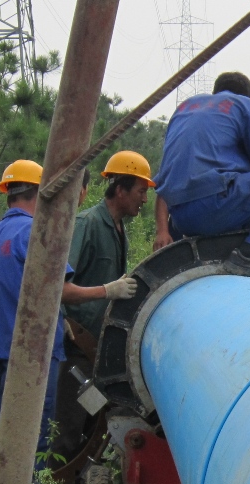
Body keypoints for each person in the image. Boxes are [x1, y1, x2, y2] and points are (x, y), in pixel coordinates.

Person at [0, 159, 137, 458]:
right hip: (30, 356)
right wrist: (108, 291)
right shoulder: (36, 233)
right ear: (45, 192)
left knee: (8, 440)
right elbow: (59, 289)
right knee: (35, 442)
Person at [152, 71, 250, 279]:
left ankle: (171, 270)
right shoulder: (244, 105)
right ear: (247, 95)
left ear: (215, 92)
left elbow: (165, 182)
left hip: (181, 219)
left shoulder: (184, 109)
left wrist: (162, 231)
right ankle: (248, 257)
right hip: (216, 206)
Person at [53, 150, 155, 464]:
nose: (144, 200)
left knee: (91, 420)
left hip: (97, 348)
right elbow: (58, 288)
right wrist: (106, 291)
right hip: (76, 347)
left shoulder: (119, 230)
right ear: (120, 189)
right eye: (140, 191)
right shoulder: (88, 224)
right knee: (68, 423)